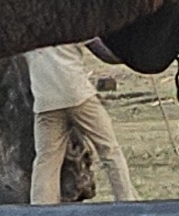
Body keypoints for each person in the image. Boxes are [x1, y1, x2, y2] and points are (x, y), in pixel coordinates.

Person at [22, 42, 134, 205]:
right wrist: (134, 57)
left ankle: (42, 209)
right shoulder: (71, 26)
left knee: (47, 159)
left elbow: (1, 63)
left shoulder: (28, 32)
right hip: (79, 97)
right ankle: (126, 201)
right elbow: (105, 54)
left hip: (46, 103)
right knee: (109, 150)